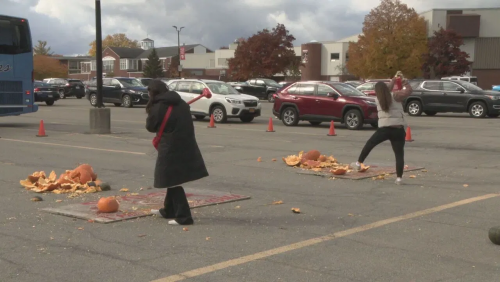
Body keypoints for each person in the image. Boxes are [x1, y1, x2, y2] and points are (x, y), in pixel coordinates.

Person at [145, 79, 209, 225]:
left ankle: (184, 216)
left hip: (170, 146)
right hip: (185, 143)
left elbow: (150, 126)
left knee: (172, 180)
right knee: (171, 177)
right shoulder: (180, 102)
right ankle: (169, 210)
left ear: (153, 93)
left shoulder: (159, 106)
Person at [352, 72, 413, 184]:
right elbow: (408, 90)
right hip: (398, 129)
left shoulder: (377, 99)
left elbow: (385, 91)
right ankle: (399, 178)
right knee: (399, 154)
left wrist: (393, 80)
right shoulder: (396, 96)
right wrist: (403, 81)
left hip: (384, 129)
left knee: (370, 144)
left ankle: (358, 162)